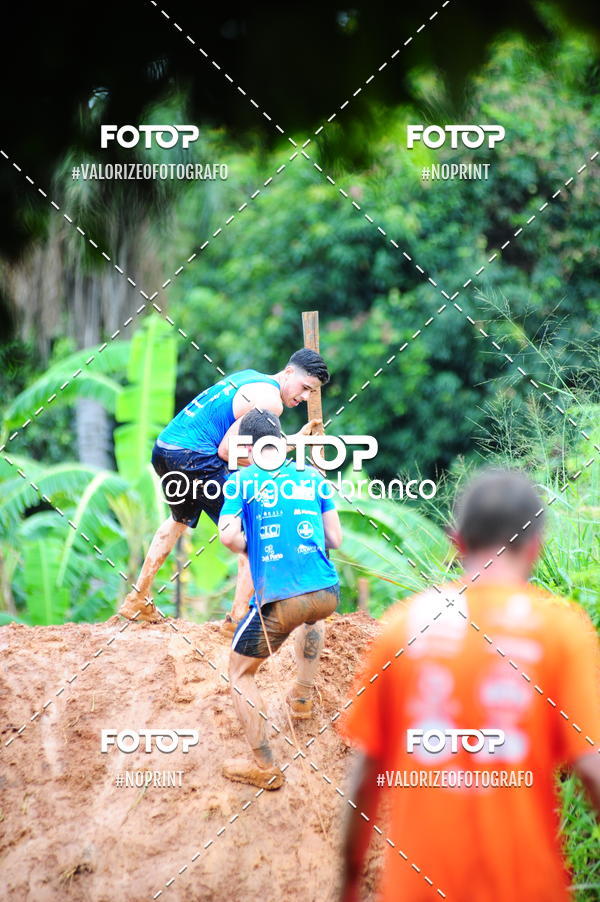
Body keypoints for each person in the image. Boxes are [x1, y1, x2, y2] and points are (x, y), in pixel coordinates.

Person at [339, 468, 600, 902]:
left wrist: (349, 884)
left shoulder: (402, 626)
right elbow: (591, 769)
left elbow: (366, 773)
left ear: (455, 540)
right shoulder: (560, 631)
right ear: (535, 547)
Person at [118, 348, 329, 624]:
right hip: (196, 457)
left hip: (166, 449)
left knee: (177, 521)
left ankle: (137, 598)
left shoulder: (252, 377)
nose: (303, 397)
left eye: (310, 393)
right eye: (304, 388)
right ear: (288, 372)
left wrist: (290, 442)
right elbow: (229, 451)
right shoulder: (271, 403)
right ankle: (237, 621)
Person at [218, 408, 342, 790]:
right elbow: (336, 540)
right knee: (312, 612)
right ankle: (303, 695)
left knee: (240, 672)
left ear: (248, 446)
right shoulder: (311, 476)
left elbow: (227, 536)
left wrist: (251, 545)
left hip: (280, 598)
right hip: (327, 592)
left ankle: (265, 765)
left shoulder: (241, 481)